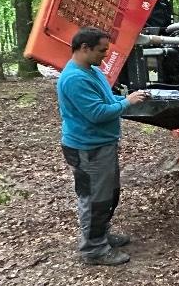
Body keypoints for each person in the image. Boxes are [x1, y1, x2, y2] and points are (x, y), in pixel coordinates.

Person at [57, 26, 149, 265]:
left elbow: (106, 99)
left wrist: (127, 98)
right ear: (84, 48)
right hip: (88, 149)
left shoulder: (91, 70)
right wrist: (127, 103)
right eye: (101, 50)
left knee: (109, 195)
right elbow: (97, 113)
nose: (105, 55)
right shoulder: (75, 78)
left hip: (101, 145)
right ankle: (94, 249)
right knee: (95, 200)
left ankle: (101, 235)